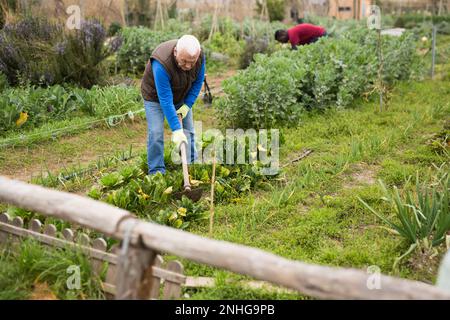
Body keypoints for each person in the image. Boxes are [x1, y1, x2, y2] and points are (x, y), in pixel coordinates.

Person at [141, 35, 206, 175]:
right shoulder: (161, 62)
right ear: (176, 52)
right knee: (156, 132)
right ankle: (156, 171)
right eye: (184, 61)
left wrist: (187, 105)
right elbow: (165, 99)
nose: (188, 66)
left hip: (181, 95)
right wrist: (176, 130)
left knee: (189, 131)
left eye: (192, 62)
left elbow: (198, 83)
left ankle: (190, 164)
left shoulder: (199, 57)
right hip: (155, 97)